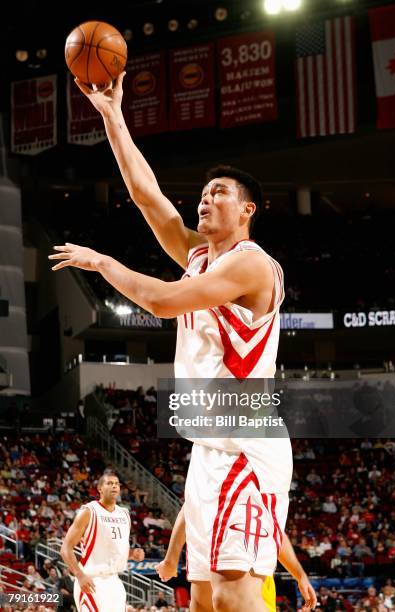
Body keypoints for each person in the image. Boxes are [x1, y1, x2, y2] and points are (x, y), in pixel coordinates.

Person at [50, 73, 293, 612]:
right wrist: (112, 115)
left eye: (220, 194)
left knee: (235, 592)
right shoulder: (200, 256)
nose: (205, 201)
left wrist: (102, 263)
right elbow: (144, 194)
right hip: (210, 446)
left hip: (245, 443)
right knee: (201, 596)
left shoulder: (251, 264)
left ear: (247, 209)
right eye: (203, 194)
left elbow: (160, 301)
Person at [156, 504, 317, 611]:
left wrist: (170, 560)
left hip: (207, 574)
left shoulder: (204, 477)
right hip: (243, 575)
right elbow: (275, 532)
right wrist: (300, 575)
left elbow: (189, 507)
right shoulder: (250, 479)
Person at [60, 469, 144, 611]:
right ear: (100, 489)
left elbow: (114, 549)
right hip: (91, 579)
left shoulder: (124, 514)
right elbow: (65, 549)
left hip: (115, 581)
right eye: (109, 483)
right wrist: (79, 575)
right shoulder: (89, 511)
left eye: (117, 484)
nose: (114, 486)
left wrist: (132, 553)